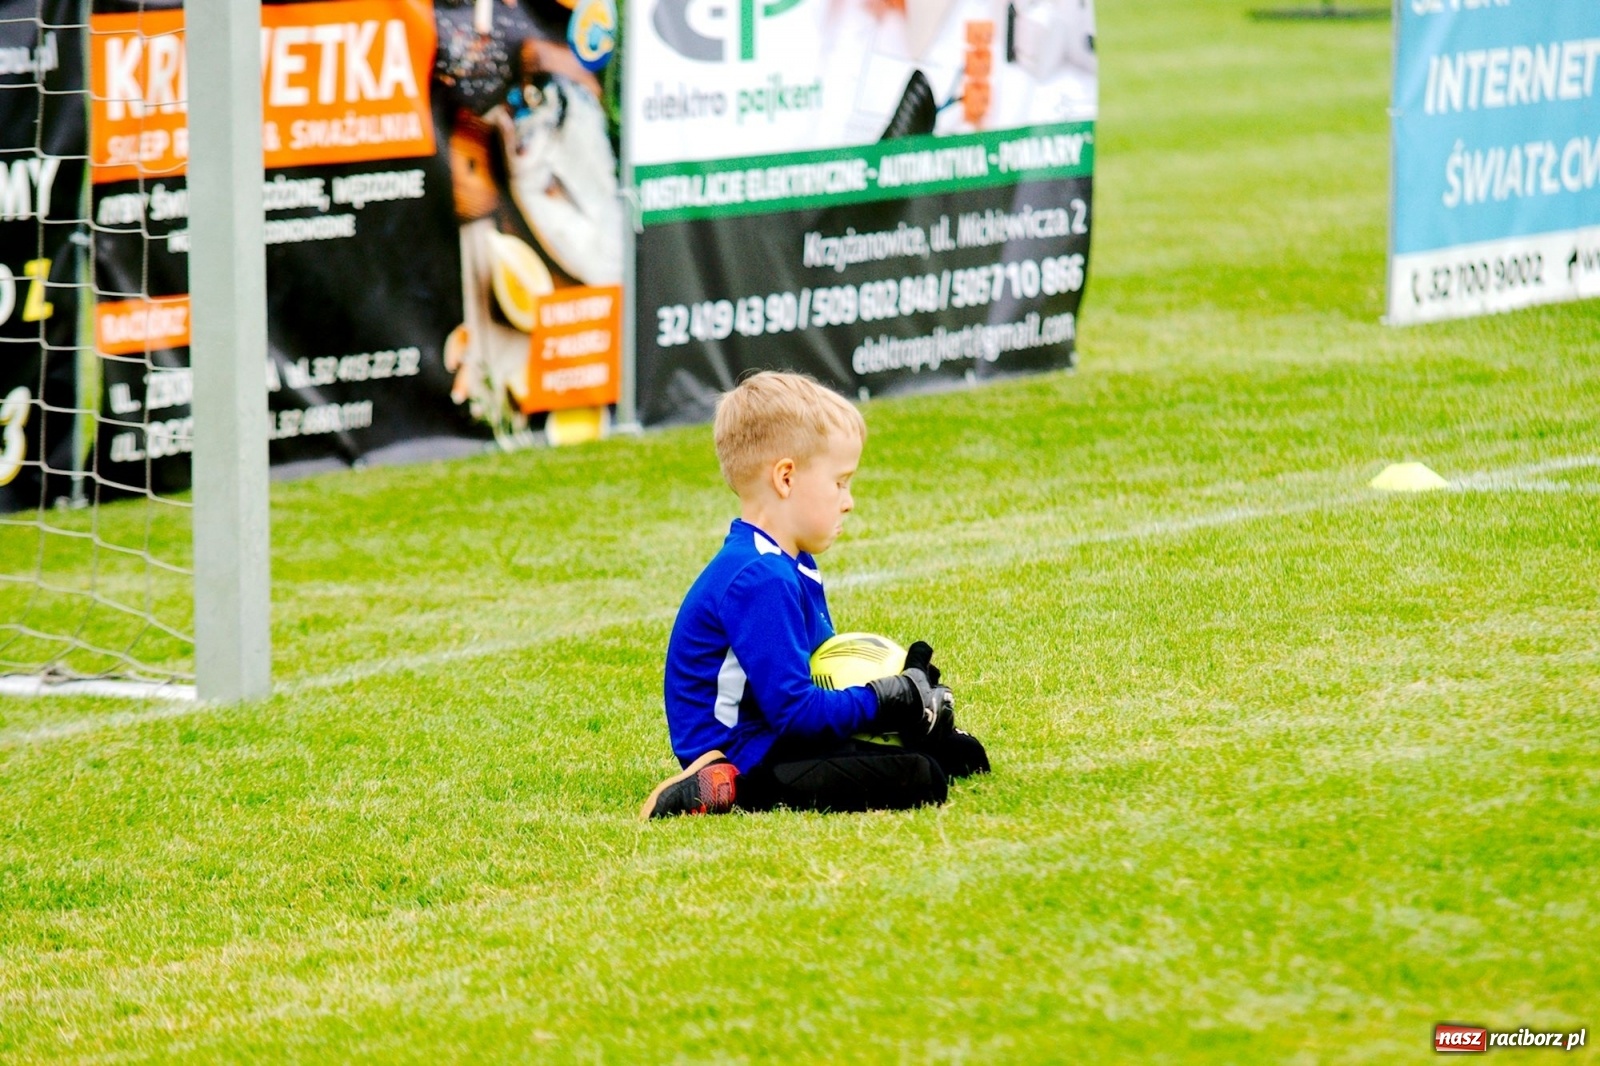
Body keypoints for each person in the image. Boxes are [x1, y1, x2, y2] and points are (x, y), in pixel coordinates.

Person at [640, 371, 989, 820]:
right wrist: (884, 699)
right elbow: (796, 711)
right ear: (786, 478)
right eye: (840, 482)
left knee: (963, 755)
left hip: (779, 731)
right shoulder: (759, 578)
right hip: (745, 749)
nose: (849, 501)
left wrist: (906, 695)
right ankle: (724, 788)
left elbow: (824, 666)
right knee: (922, 777)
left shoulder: (795, 561)